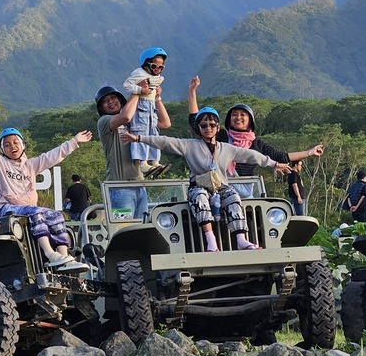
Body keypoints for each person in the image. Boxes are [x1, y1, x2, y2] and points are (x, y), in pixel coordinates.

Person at [121, 106, 292, 252]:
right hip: (199, 185)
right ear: (199, 128)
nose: (208, 128)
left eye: (212, 125)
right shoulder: (190, 146)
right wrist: (138, 138)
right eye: (204, 125)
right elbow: (165, 142)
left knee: (233, 197)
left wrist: (275, 164)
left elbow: (251, 155)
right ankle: (211, 240)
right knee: (200, 198)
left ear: (218, 128)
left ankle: (241, 239)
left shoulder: (227, 148)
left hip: (221, 186)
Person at [0, 110, 91, 272]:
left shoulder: (31, 165)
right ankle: (50, 254)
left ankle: (63, 258)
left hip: (26, 209)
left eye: (15, 142)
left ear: (22, 145)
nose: (12, 146)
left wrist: (74, 141)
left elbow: (53, 156)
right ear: (2, 149)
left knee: (56, 215)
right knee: (35, 212)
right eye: (6, 144)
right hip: (4, 209)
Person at [187, 76, 325, 182]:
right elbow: (196, 122)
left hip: (245, 186)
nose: (238, 118)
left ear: (250, 120)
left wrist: (310, 152)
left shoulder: (257, 144)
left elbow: (282, 156)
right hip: (220, 183)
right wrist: (192, 92)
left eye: (242, 115)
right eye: (234, 115)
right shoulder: (221, 135)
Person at [95, 83, 170, 219]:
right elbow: (125, 117)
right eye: (105, 101)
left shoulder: (135, 121)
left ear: (120, 100)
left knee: (140, 230)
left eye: (113, 98)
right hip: (120, 188)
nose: (110, 102)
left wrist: (157, 98)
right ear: (101, 108)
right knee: (123, 228)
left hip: (139, 185)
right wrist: (138, 90)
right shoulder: (104, 121)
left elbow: (165, 123)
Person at [123, 47, 169, 177]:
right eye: (155, 66)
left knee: (153, 134)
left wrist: (157, 94)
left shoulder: (157, 77)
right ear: (147, 63)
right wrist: (140, 90)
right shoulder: (139, 73)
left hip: (151, 108)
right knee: (141, 133)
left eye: (161, 67)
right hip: (141, 107)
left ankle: (155, 161)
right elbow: (126, 85)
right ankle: (143, 163)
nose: (157, 69)